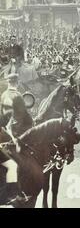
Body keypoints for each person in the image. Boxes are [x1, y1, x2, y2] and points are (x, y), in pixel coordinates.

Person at [0, 73, 33, 206]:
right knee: (15, 164)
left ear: (9, 82)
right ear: (17, 82)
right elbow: (23, 119)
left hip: (4, 132)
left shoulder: (3, 95)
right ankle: (14, 195)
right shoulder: (18, 96)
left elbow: (3, 118)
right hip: (12, 133)